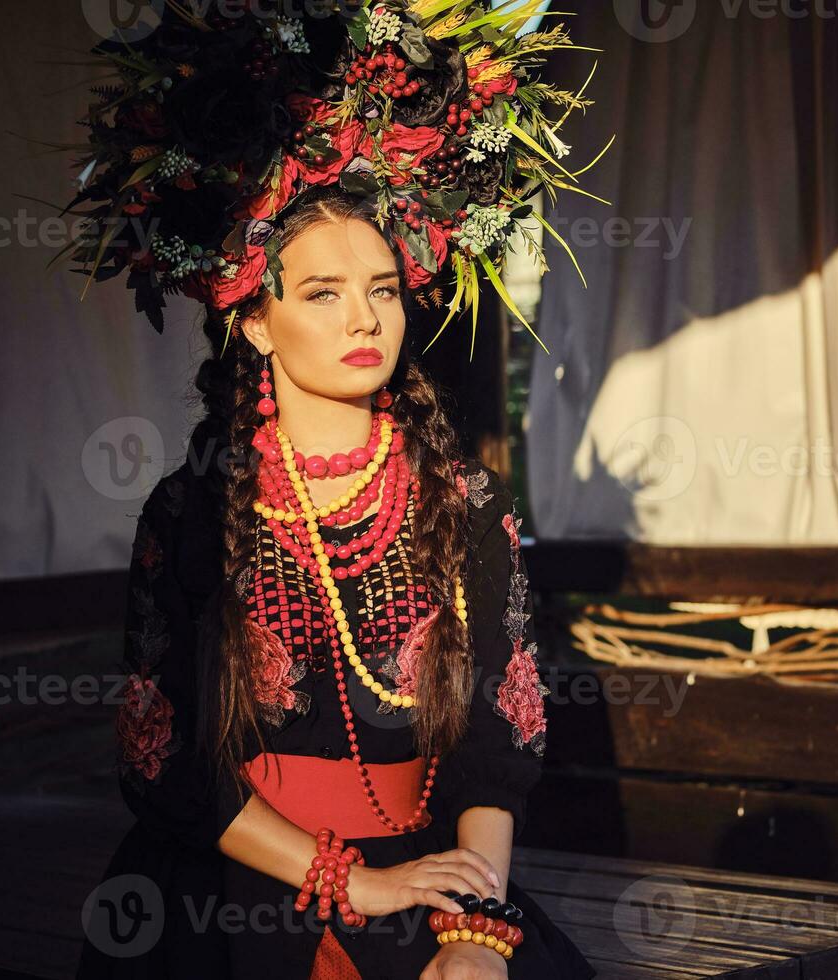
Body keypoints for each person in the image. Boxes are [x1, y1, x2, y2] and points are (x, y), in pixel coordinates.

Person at [75, 186, 596, 979]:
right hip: (225, 884)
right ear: (255, 321)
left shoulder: (466, 502)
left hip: (433, 872)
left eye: (382, 289)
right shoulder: (193, 509)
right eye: (324, 294)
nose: (366, 319)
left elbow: (498, 738)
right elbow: (161, 757)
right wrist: (350, 881)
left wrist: (474, 928)